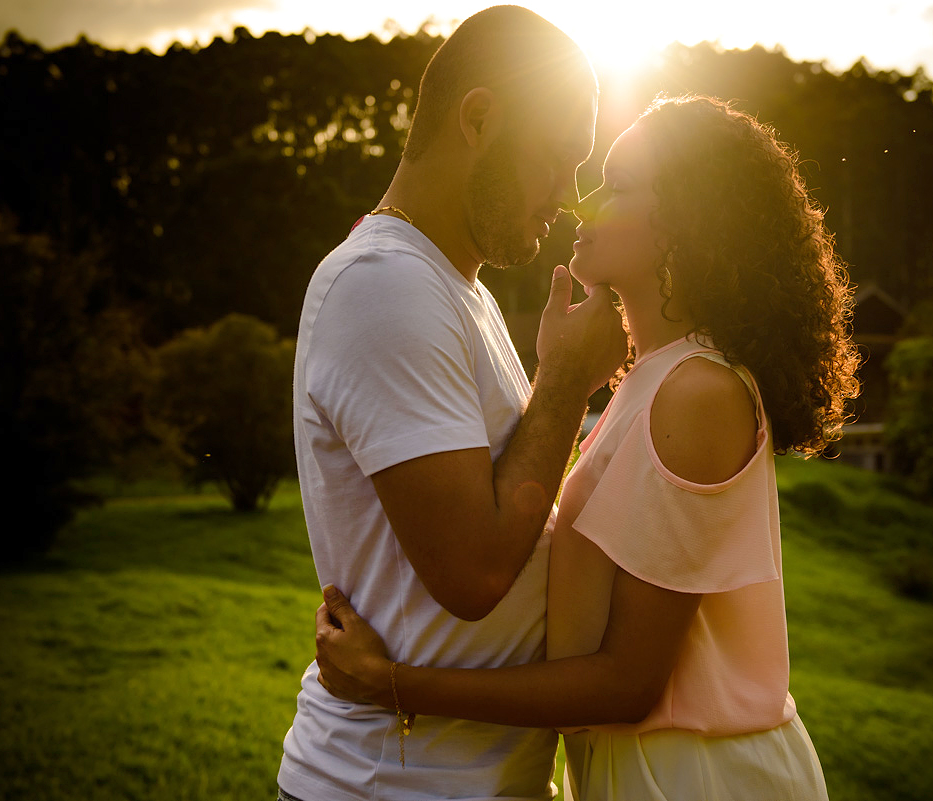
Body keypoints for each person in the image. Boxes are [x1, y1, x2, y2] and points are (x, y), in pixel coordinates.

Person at [314, 94, 860, 800]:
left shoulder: (699, 393)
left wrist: (395, 684)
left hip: (698, 776)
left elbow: (627, 682)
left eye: (617, 184)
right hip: (642, 770)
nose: (582, 205)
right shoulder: (651, 379)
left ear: (686, 223)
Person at [277, 6, 628, 801]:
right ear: (478, 118)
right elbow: (472, 573)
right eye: (559, 159)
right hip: (389, 785)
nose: (568, 197)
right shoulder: (385, 284)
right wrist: (565, 379)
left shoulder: (453, 289)